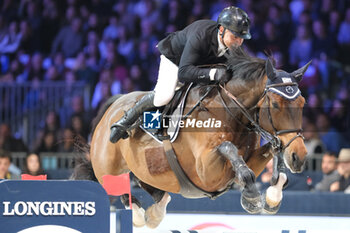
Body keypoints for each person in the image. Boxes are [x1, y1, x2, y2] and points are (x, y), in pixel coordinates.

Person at [110, 6, 251, 143]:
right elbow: (183, 73)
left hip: (198, 64)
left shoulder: (232, 43)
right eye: (235, 36)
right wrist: (214, 74)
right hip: (175, 60)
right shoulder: (201, 36)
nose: (239, 42)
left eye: (242, 38)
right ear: (221, 29)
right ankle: (126, 120)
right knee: (164, 97)